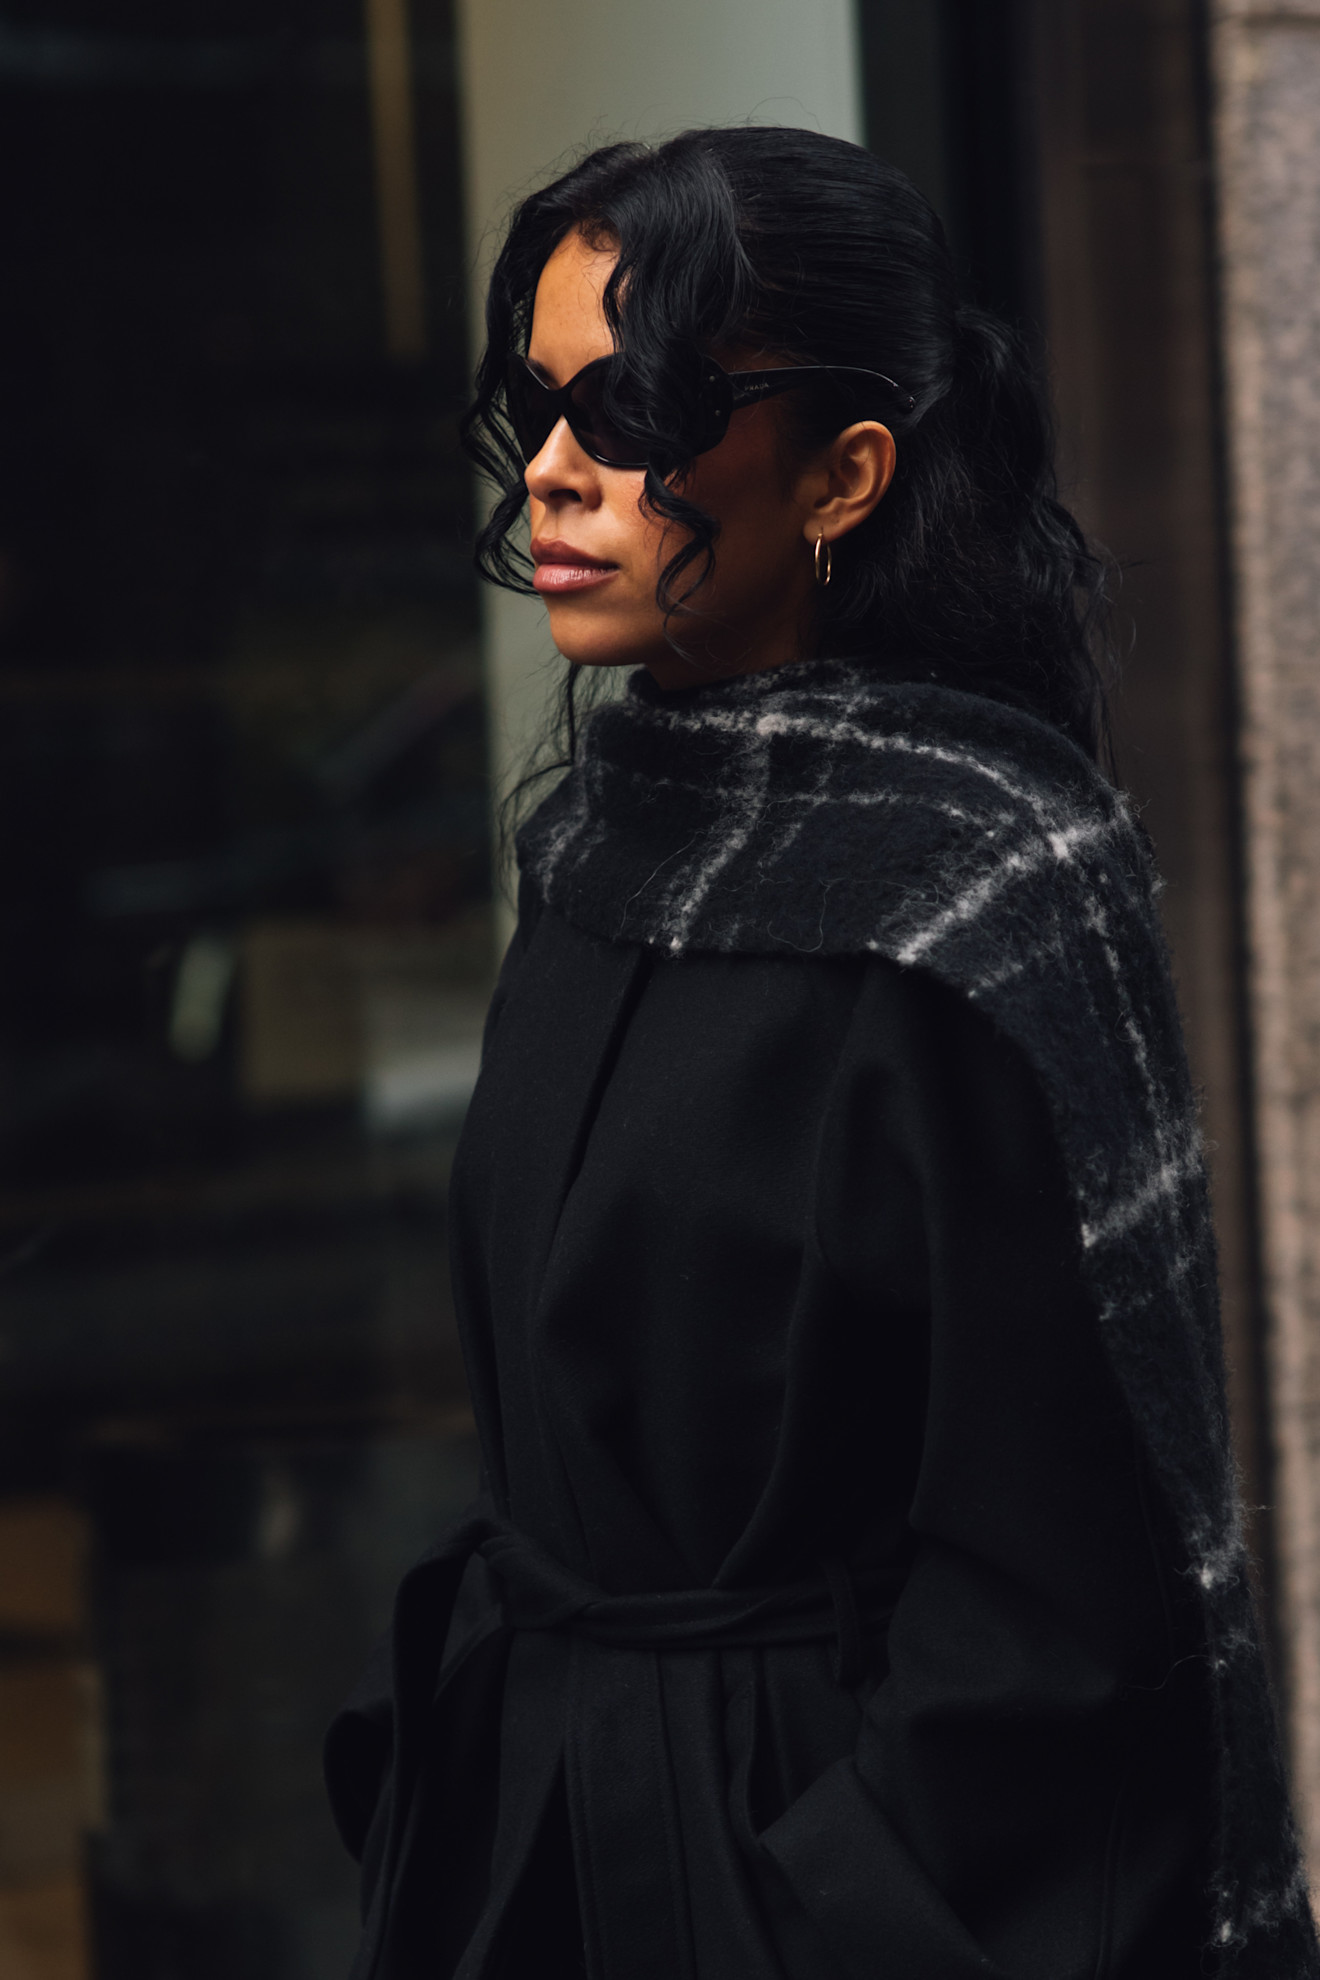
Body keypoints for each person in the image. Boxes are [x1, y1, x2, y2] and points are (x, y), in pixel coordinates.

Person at [325, 127, 1317, 1980]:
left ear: (846, 472)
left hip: (800, 1886)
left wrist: (828, 1891)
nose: (556, 471)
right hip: (525, 1839)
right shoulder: (608, 839)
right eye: (541, 406)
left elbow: (1065, 1590)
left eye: (633, 406)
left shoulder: (977, 886)